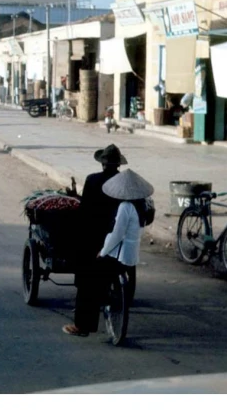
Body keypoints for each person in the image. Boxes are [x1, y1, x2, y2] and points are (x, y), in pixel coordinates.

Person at [62, 168, 153, 337]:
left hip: (117, 256)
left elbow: (116, 235)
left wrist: (102, 252)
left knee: (87, 281)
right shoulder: (140, 206)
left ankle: (82, 326)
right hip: (130, 257)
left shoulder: (125, 207)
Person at [62, 144, 128, 337]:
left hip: (94, 237)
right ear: (118, 164)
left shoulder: (93, 179)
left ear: (102, 164)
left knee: (86, 282)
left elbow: (85, 210)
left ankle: (82, 326)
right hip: (118, 236)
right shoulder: (125, 182)